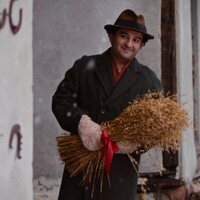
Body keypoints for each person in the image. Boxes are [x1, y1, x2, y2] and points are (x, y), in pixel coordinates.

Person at [52, 9, 162, 200]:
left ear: (141, 45)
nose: (129, 44)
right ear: (111, 36)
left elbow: (157, 128)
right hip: (79, 175)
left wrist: (134, 143)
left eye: (136, 40)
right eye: (124, 36)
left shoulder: (149, 82)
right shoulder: (85, 66)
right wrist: (81, 122)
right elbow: (61, 101)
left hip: (118, 180)